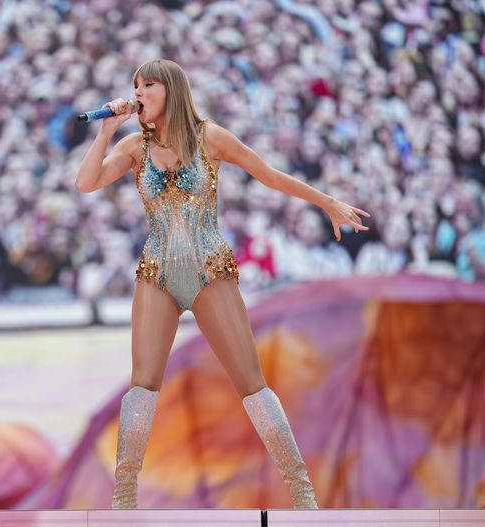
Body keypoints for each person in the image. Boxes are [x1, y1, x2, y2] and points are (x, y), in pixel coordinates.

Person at [74, 59, 370, 510]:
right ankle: (124, 498)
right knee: (143, 382)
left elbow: (269, 175)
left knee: (251, 383)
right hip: (156, 273)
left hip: (210, 270)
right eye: (135, 85)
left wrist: (326, 202)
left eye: (148, 84)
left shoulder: (209, 137)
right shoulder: (134, 145)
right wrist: (105, 131)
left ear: (171, 90)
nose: (138, 93)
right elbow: (86, 183)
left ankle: (302, 493)